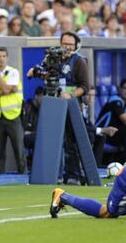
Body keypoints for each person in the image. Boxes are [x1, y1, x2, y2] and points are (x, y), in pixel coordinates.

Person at [27, 31, 89, 184]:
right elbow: (36, 72)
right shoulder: (52, 58)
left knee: (71, 140)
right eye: (65, 43)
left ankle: (73, 174)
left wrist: (72, 95)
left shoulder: (79, 61)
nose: (67, 47)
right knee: (52, 140)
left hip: (71, 106)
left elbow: (85, 86)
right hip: (52, 105)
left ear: (76, 46)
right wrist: (38, 73)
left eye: (70, 44)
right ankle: (54, 174)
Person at [0, 47, 26, 174]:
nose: (1, 59)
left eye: (3, 56)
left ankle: (23, 176)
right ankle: (0, 178)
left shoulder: (13, 72)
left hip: (13, 116)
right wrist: (3, 91)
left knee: (18, 149)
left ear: (7, 58)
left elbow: (9, 90)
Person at [95, 79, 126, 163]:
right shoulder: (115, 101)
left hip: (115, 132)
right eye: (125, 88)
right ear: (120, 89)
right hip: (104, 132)